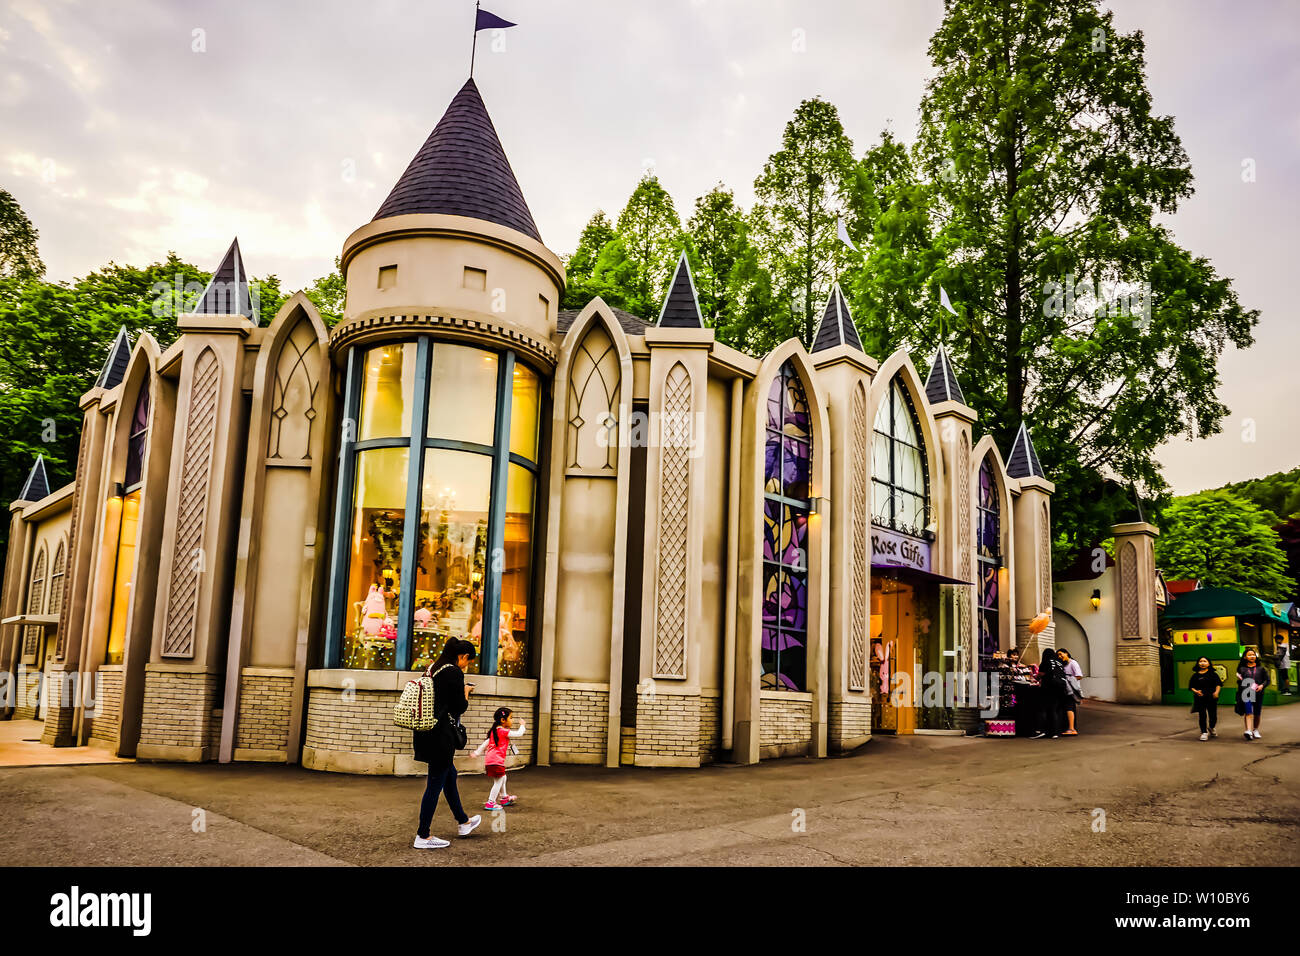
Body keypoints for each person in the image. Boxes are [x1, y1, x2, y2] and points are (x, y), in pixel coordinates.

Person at [412, 637, 482, 849]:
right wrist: (466, 692)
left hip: (426, 731)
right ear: (462, 656)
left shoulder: (434, 667)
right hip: (440, 735)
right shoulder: (453, 671)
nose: (467, 665)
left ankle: (464, 822)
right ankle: (422, 836)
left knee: (449, 776)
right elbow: (458, 707)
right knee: (434, 785)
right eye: (468, 661)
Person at [473, 707, 527, 810]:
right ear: (503, 720)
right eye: (511, 718)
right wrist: (522, 725)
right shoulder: (502, 731)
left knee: (503, 777)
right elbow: (519, 734)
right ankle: (491, 803)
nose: (513, 720)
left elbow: (486, 743)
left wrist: (477, 752)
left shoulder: (495, 731)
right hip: (496, 761)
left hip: (492, 761)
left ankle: (504, 798)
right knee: (498, 781)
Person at [1235, 648, 1270, 741]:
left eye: (1253, 654)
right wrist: (1240, 681)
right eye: (1249, 655)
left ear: (1256, 656)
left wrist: (1262, 686)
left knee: (1257, 713)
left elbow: (1267, 680)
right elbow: (1240, 684)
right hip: (1246, 693)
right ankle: (1248, 731)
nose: (1252, 656)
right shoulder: (1241, 669)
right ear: (1245, 657)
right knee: (1248, 712)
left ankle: (1255, 730)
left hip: (1259, 693)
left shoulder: (1261, 669)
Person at [1033, 648, 1068, 739]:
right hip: (1061, 688)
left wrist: (1034, 677)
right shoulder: (1059, 663)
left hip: (1049, 687)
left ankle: (1041, 730)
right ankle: (1054, 732)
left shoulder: (1045, 662)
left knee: (1042, 709)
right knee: (1054, 710)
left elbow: (1040, 675)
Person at [1188, 656, 1222, 741]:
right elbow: (1191, 687)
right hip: (1200, 698)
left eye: (1205, 661)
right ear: (1198, 663)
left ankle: (1211, 727)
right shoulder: (1195, 675)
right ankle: (1204, 732)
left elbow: (1218, 684)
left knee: (1213, 715)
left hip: (1212, 698)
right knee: (1202, 715)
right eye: (1200, 661)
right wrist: (1196, 691)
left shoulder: (1213, 674)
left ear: (1208, 663)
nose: (1202, 663)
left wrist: (1216, 692)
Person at [1057, 647, 1084, 735]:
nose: (1060, 656)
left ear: (1066, 653)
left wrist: (1068, 679)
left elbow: (1079, 676)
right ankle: (1070, 728)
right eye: (1058, 655)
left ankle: (1072, 729)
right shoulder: (1063, 664)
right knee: (1069, 708)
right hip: (1065, 690)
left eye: (1061, 654)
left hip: (1071, 690)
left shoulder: (1073, 663)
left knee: (1069, 708)